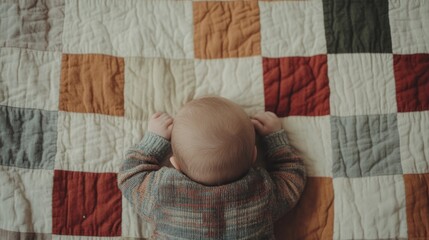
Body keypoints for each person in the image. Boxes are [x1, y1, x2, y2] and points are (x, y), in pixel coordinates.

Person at [118, 96, 306, 239]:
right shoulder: (262, 193)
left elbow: (130, 175)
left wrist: (155, 140)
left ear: (174, 163)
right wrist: (275, 140)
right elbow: (292, 177)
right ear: (254, 157)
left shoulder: (163, 192)